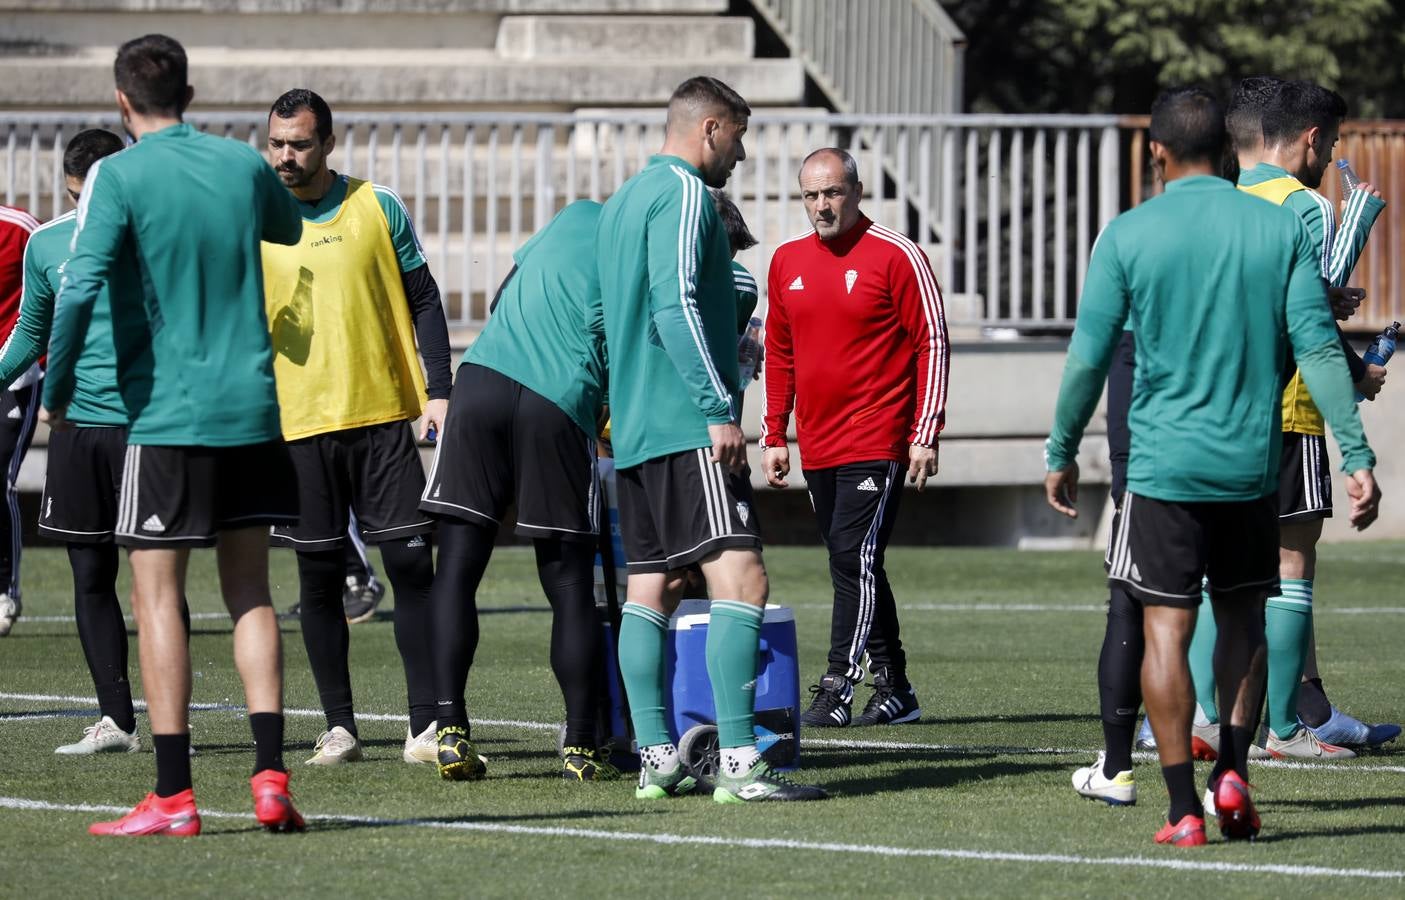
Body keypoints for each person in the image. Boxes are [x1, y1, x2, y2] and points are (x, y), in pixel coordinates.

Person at [1044, 87, 1379, 846]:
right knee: (1242, 621)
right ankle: (1232, 767)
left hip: (1162, 468)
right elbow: (1318, 346)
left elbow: (1088, 357)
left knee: (1166, 628)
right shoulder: (1277, 227)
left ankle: (1180, 808)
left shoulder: (1126, 234)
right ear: (1227, 153)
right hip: (1250, 467)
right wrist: (1355, 454)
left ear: (1156, 152)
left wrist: (1059, 451)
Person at [44, 34, 307, 835]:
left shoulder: (117, 175)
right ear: (189, 94)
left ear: (122, 102)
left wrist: (56, 390)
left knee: (156, 595)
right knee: (251, 592)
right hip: (256, 412)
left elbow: (80, 285)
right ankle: (269, 778)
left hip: (165, 418)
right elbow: (288, 233)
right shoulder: (242, 164)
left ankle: (174, 794)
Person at [596, 75, 826, 803]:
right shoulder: (687, 193)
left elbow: (605, 323)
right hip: (685, 423)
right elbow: (677, 304)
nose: (741, 152)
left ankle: (657, 757)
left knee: (650, 588)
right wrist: (716, 407)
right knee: (741, 580)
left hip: (632, 430)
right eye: (741, 135)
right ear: (712, 128)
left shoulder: (620, 202)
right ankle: (738, 764)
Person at [1183, 79, 1399, 758]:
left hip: (1212, 407)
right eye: (1329, 143)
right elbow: (1298, 317)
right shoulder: (1305, 205)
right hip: (1288, 405)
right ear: (1310, 140)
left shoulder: (1213, 201)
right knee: (1289, 567)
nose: (1327, 153)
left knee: (1218, 574)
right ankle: (1283, 729)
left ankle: (1200, 721)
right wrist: (1353, 371)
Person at [261, 88, 451, 767]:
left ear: (328, 144)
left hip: (379, 416)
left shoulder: (377, 203)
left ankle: (424, 725)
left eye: (300, 144)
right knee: (317, 579)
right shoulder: (252, 216)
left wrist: (439, 391)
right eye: (277, 143)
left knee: (407, 563)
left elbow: (423, 298)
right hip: (297, 424)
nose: (286, 156)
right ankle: (338, 726)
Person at [421, 199, 613, 782]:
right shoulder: (649, 245)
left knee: (455, 567)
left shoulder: (578, 214)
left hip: (480, 381)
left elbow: (505, 294)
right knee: (569, 580)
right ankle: (582, 746)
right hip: (557, 400)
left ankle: (449, 730)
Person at [762, 147, 948, 728]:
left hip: (878, 435)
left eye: (833, 193)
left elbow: (932, 343)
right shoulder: (785, 260)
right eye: (812, 195)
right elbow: (779, 352)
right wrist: (774, 434)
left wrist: (925, 431)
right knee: (856, 563)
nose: (822, 205)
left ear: (857, 191)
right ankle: (895, 689)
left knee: (853, 556)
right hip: (817, 443)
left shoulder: (897, 256)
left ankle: (839, 686)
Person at [0, 128, 165, 754]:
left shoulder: (157, 236)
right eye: (74, 197)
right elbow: (28, 335)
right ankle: (117, 721)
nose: (82, 210)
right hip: (75, 431)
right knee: (89, 574)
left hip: (148, 428)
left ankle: (172, 721)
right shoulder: (47, 245)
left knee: (157, 579)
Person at [0, 201, 39, 637]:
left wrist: (40, 364)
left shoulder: (21, 228)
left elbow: (49, 290)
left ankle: (5, 590)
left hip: (12, 378)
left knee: (0, 480)